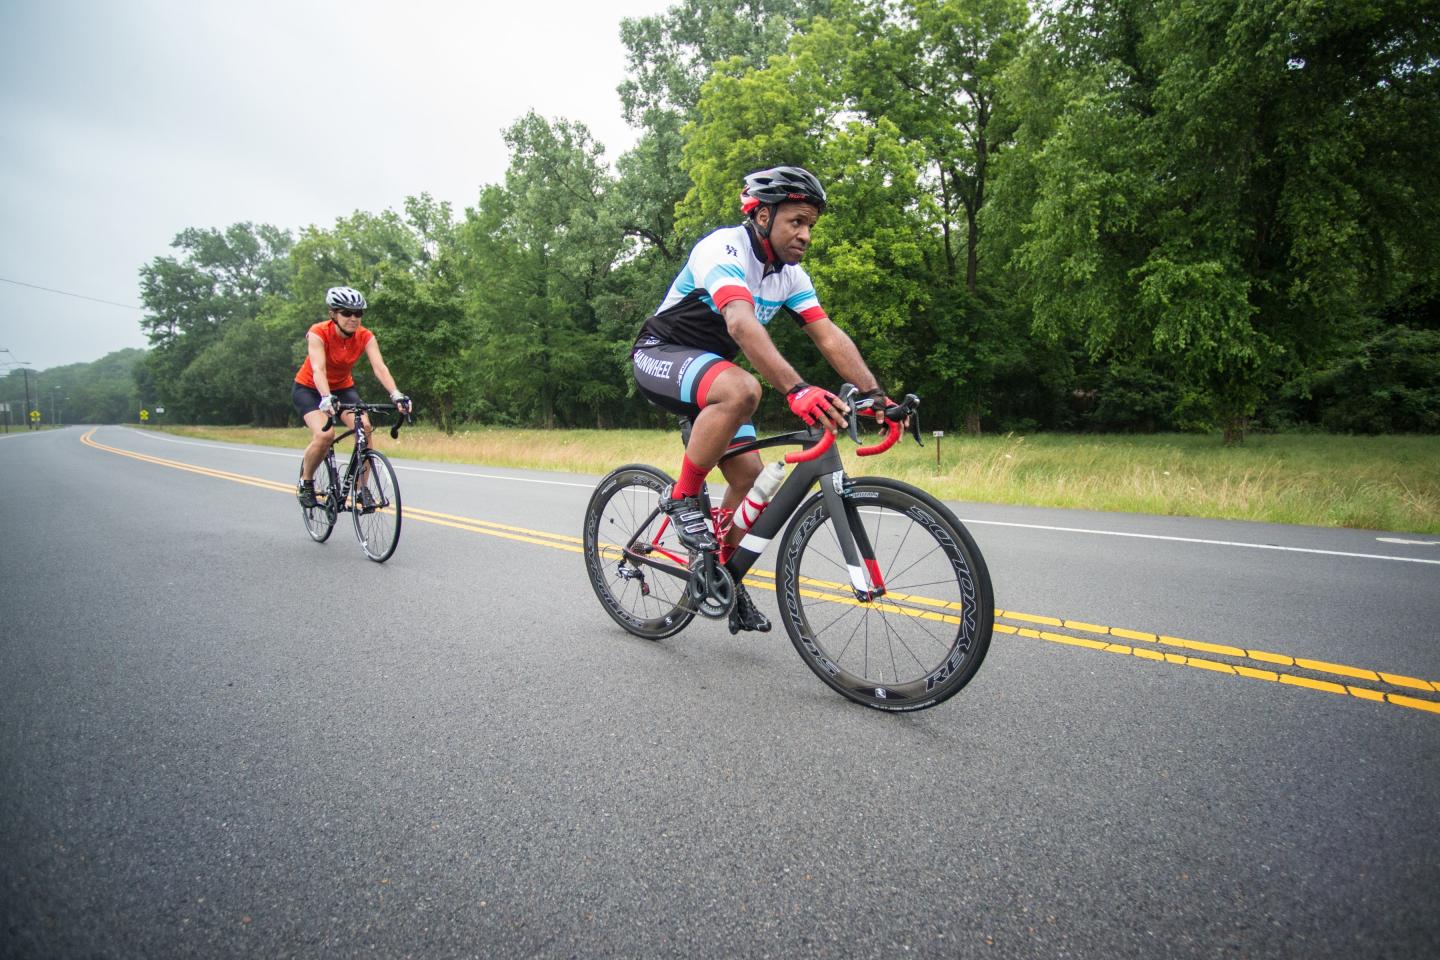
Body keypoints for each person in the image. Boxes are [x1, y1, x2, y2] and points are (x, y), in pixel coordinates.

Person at [632, 166, 890, 634]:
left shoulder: (789, 276)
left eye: (811, 225)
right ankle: (683, 496)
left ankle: (718, 574)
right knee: (744, 388)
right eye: (797, 221)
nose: (806, 235)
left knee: (753, 485)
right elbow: (739, 322)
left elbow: (828, 335)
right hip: (661, 355)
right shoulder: (724, 248)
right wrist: (797, 389)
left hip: (712, 376)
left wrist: (877, 395)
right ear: (763, 215)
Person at [293, 286, 412, 507]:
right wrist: (325, 397)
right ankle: (306, 482)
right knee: (324, 436)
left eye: (358, 313)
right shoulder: (319, 332)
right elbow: (319, 369)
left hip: (343, 388)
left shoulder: (365, 336)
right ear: (333, 314)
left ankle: (360, 489)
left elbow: (380, 368)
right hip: (310, 388)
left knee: (365, 428)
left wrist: (396, 395)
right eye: (347, 313)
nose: (353, 318)